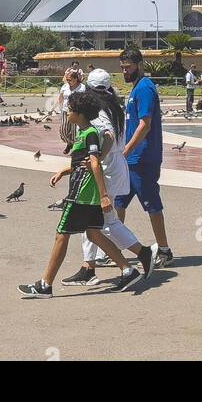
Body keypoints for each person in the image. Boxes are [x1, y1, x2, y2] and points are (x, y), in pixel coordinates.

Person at [17, 89, 142, 298]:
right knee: (93, 233)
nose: (67, 111)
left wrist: (104, 195)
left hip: (82, 194)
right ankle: (128, 270)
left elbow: (94, 163)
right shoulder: (84, 133)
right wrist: (63, 172)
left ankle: (45, 285)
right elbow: (82, 162)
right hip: (86, 192)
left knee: (61, 235)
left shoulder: (90, 134)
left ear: (80, 114)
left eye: (70, 109)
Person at [60, 72, 153, 285]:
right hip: (114, 165)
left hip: (106, 168)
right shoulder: (113, 104)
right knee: (96, 222)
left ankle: (141, 253)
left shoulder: (99, 109)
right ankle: (90, 266)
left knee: (102, 221)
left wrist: (98, 156)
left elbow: (108, 134)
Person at [119, 49, 173, 269]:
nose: (124, 71)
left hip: (143, 159)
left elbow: (145, 124)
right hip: (130, 160)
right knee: (118, 203)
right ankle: (113, 247)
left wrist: (126, 151)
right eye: (122, 67)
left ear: (139, 65)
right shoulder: (135, 88)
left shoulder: (145, 88)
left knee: (151, 204)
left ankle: (164, 250)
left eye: (128, 67)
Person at [59, 66, 83, 152]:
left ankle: (73, 146)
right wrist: (60, 108)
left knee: (74, 131)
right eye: (67, 80)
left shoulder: (82, 88)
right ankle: (69, 142)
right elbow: (61, 98)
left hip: (76, 112)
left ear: (76, 79)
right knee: (63, 130)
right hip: (65, 111)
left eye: (70, 80)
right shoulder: (65, 86)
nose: (68, 82)